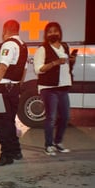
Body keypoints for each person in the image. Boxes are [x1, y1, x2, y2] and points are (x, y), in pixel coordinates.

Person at [0, 20, 28, 166]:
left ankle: (6, 155)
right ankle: (16, 151)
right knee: (9, 122)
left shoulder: (8, 44)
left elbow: (2, 68)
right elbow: (24, 70)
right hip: (13, 89)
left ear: (5, 30)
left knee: (1, 124)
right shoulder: (23, 46)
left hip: (3, 89)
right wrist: (17, 86)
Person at [34, 22, 75, 156]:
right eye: (49, 31)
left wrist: (71, 60)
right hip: (48, 88)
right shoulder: (42, 49)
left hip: (63, 86)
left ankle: (58, 142)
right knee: (51, 117)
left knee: (65, 117)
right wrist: (55, 63)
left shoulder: (64, 47)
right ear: (46, 35)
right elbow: (38, 69)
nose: (53, 33)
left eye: (55, 31)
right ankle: (48, 145)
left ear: (59, 33)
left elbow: (67, 66)